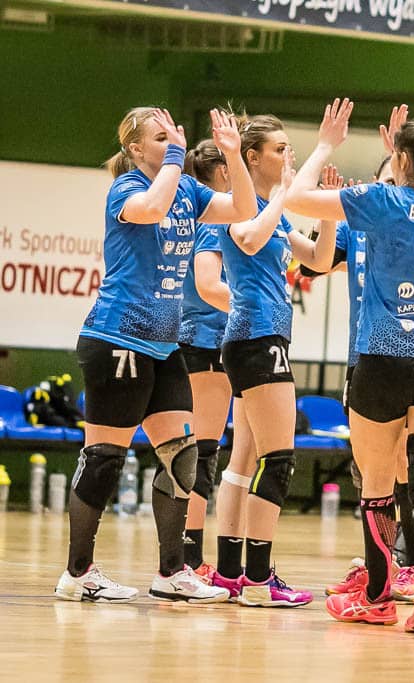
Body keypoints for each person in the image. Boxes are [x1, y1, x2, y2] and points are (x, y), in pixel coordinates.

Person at [55, 107, 256, 604]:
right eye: (160, 138)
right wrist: (173, 159)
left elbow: (243, 208)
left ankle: (171, 572)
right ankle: (78, 573)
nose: (173, 145)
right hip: (117, 339)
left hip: (165, 347)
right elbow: (150, 208)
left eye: (174, 137)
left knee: (182, 456)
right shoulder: (126, 189)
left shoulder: (187, 190)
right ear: (135, 148)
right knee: (105, 459)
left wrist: (233, 155)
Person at [287, 102, 414, 634]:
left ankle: (377, 596)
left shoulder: (383, 200)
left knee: (377, 481)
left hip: (385, 358)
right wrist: (405, 154)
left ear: (401, 160)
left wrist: (326, 145)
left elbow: (296, 197)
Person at [212, 112, 339, 607]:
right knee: (279, 460)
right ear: (252, 157)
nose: (289, 155)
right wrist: (287, 192)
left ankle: (232, 572)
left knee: (246, 458)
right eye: (280, 148)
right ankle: (259, 580)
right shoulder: (240, 205)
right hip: (255, 336)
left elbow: (319, 260)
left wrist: (327, 211)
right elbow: (248, 239)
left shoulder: (273, 208)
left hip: (262, 339)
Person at [179, 140, 235, 580]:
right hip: (208, 340)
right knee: (202, 453)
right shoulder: (214, 221)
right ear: (223, 173)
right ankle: (189, 558)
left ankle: (185, 556)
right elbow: (208, 285)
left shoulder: (191, 216)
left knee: (194, 450)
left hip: (193, 339)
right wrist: (257, 307)